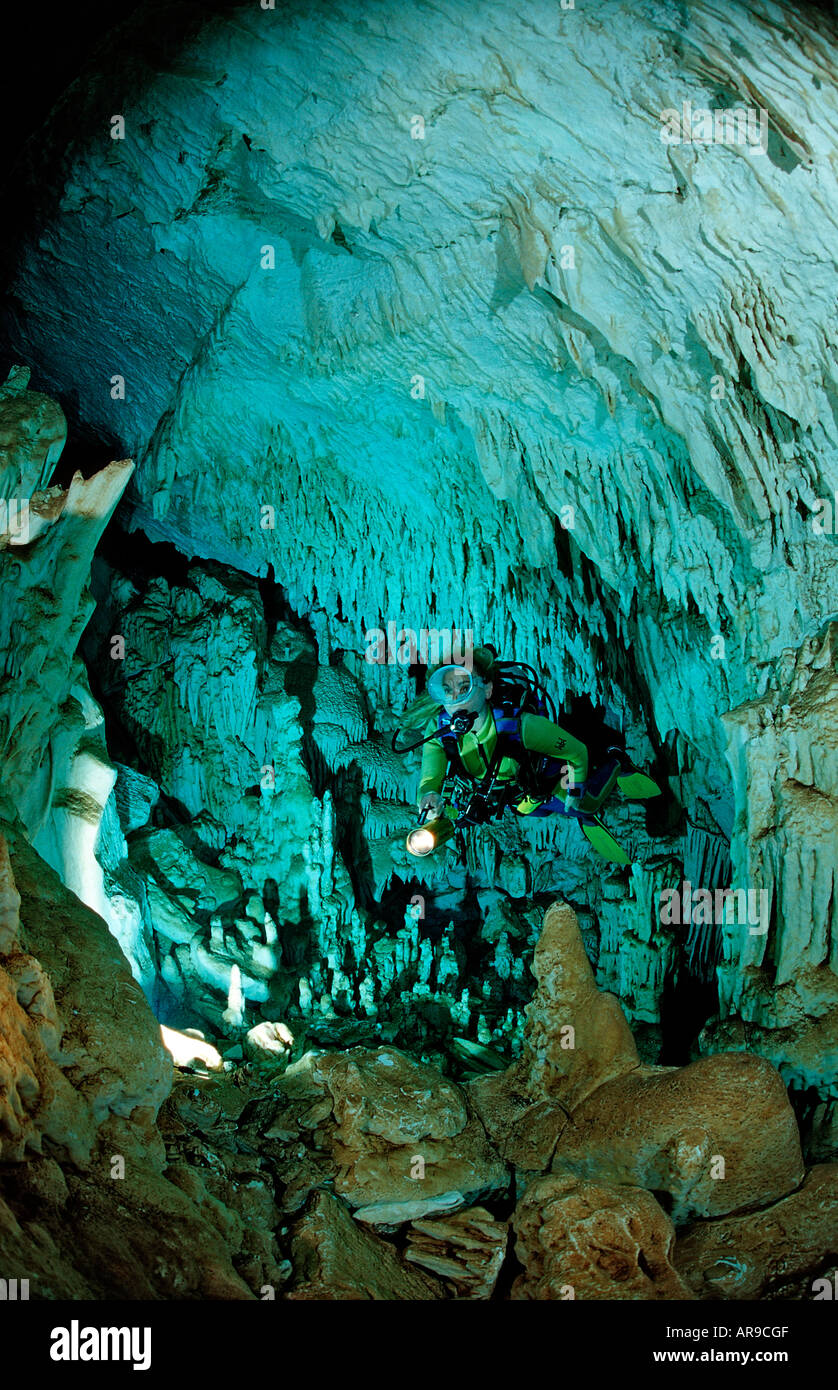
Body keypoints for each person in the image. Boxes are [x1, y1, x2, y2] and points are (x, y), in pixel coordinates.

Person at [404, 646, 659, 863]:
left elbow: (576, 751)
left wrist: (575, 791)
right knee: (537, 811)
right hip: (516, 794)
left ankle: (616, 759)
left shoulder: (522, 726)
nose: (456, 698)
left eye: (465, 686)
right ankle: (569, 806)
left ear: (488, 690)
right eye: (448, 690)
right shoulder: (439, 732)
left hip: (544, 776)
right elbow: (430, 779)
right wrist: (429, 795)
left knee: (585, 804)